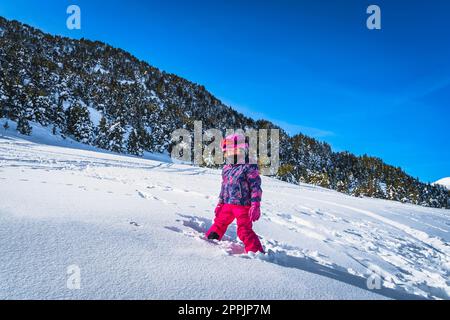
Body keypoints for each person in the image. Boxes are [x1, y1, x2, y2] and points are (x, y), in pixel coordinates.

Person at [205, 133, 264, 253]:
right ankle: (211, 239)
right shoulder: (226, 168)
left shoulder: (249, 166)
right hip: (227, 204)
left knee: (244, 230)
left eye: (232, 150)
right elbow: (224, 186)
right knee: (219, 223)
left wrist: (255, 205)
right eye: (226, 151)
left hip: (243, 205)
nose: (228, 154)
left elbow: (255, 187)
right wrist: (220, 203)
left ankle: (256, 251)